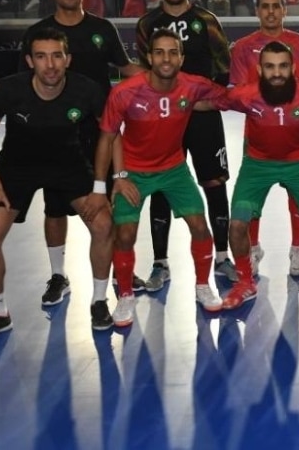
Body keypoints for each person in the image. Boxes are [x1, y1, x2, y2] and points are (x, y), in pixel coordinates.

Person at [0, 27, 116, 345]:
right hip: (17, 168)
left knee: (104, 225)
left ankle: (99, 301)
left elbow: (111, 133)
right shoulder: (8, 89)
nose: (50, 65)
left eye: (56, 56)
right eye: (41, 56)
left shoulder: (87, 90)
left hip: (68, 164)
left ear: (68, 59)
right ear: (29, 61)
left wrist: (104, 185)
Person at [89, 28, 228, 325]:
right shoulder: (125, 92)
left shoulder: (192, 85)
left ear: (181, 58)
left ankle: (203, 286)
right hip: (133, 172)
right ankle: (126, 295)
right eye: (160, 52)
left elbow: (228, 98)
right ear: (149, 58)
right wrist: (107, 183)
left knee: (200, 227)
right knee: (125, 235)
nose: (166, 59)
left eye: (173, 52)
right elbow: (107, 138)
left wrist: (264, 96)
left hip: (174, 169)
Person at [23, 0, 144, 304]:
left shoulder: (102, 28)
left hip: (102, 133)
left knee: (113, 202)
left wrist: (162, 78)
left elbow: (125, 67)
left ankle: (119, 268)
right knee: (54, 209)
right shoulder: (38, 33)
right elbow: (25, 85)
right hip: (56, 136)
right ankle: (58, 275)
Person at [213, 42, 299, 307]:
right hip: (257, 165)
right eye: (270, 67)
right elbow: (209, 100)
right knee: (237, 226)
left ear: (293, 69)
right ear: (260, 70)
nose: (277, 73)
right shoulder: (245, 95)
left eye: (283, 66)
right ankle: (245, 282)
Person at [135, 0, 233, 292]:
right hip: (163, 120)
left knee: (214, 184)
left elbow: (223, 70)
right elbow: (144, 73)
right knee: (162, 185)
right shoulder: (147, 24)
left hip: (203, 118)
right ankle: (160, 263)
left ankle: (222, 257)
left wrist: (206, 100)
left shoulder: (206, 21)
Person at [229, 0, 299, 266]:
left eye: (276, 6)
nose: (271, 12)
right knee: (253, 196)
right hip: (257, 135)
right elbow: (239, 93)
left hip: (294, 132)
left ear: (284, 10)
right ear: (257, 11)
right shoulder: (243, 47)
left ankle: (297, 247)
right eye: (265, 6)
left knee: (297, 194)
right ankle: (253, 246)